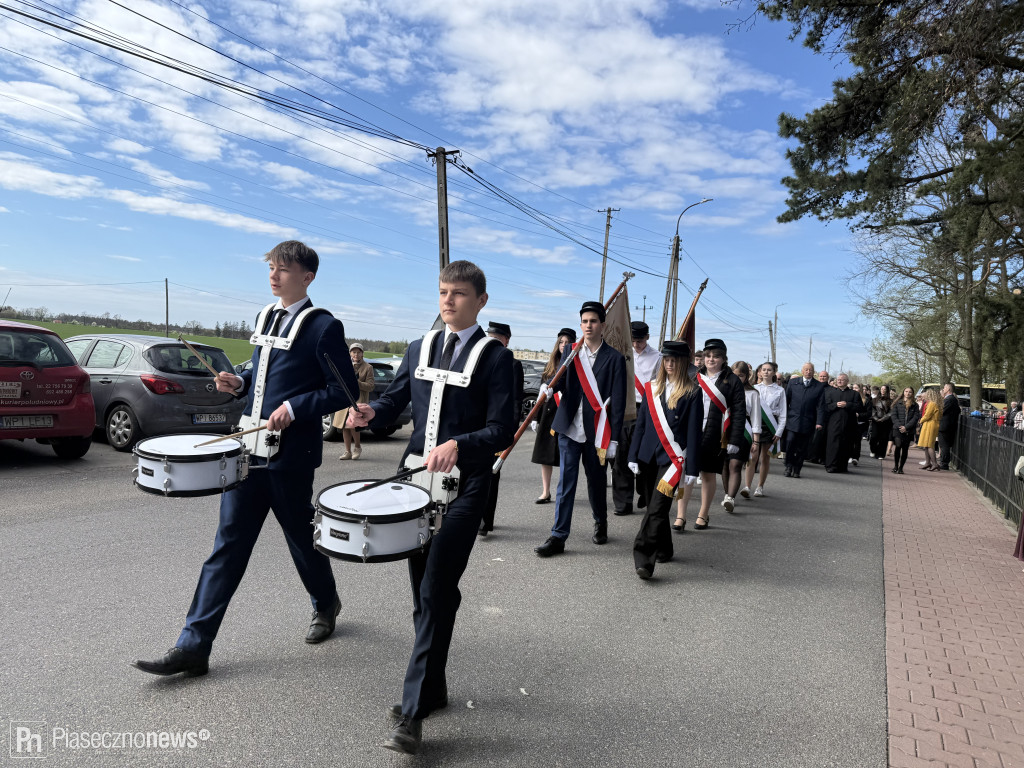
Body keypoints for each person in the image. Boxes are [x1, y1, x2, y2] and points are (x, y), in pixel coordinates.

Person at [133, 240, 357, 678]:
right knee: (228, 546)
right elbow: (261, 373)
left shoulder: (323, 326)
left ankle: (325, 602)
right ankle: (193, 646)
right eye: (271, 267)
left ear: (307, 277)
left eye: (284, 269)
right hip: (247, 452)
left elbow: (342, 390)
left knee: (301, 539)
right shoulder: (265, 316)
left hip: (290, 457)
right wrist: (238, 382)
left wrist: (294, 408)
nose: (274, 275)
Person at [348, 260, 515, 755]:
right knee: (426, 592)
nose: (448, 301)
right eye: (443, 291)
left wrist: (460, 443)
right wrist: (372, 410)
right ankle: (435, 687)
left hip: (467, 485)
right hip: (416, 481)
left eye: (459, 293)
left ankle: (413, 711)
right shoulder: (420, 346)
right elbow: (397, 398)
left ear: (481, 301)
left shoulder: (496, 358)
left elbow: (502, 429)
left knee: (438, 583)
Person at [535, 301, 627, 557]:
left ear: (603, 326)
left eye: (593, 321)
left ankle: (600, 521)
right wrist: (549, 387)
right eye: (585, 321)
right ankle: (558, 536)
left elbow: (618, 402)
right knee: (566, 483)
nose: (588, 325)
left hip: (597, 432)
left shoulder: (615, 359)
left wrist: (615, 440)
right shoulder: (571, 352)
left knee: (596, 483)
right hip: (569, 428)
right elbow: (560, 378)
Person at [626, 341, 702, 579]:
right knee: (653, 507)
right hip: (648, 456)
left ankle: (644, 559)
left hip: (673, 459)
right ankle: (665, 548)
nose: (669, 364)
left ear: (682, 363)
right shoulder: (651, 388)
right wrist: (633, 455)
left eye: (674, 361)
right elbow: (641, 425)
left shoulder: (692, 392)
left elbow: (694, 433)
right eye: (666, 360)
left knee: (658, 509)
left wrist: (692, 468)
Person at [679, 338, 745, 529]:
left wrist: (735, 439)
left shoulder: (732, 381)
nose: (711, 359)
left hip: (715, 433)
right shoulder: (693, 376)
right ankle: (681, 515)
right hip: (691, 431)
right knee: (686, 474)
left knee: (707, 474)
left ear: (724, 359)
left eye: (716, 356)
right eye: (708, 355)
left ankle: (703, 514)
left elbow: (739, 411)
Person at [612, 320, 662, 516]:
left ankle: (645, 492)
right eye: (633, 340)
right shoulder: (622, 355)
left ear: (647, 337)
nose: (636, 345)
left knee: (645, 455)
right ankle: (622, 503)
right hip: (625, 408)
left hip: (647, 408)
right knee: (621, 456)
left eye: (640, 340)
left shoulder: (658, 357)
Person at [479, 321, 523, 536]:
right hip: (475, 427)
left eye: (497, 338)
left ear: (506, 341)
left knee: (491, 474)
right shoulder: (477, 359)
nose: (492, 340)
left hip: (498, 428)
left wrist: (511, 432)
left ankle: (485, 522)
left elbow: (515, 401)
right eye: (490, 336)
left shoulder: (513, 365)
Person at [530, 328, 575, 503]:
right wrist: (535, 418)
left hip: (564, 416)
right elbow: (541, 398)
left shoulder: (575, 366)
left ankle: (563, 492)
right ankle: (546, 491)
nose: (564, 345)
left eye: (567, 342)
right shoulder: (549, 369)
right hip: (548, 416)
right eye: (561, 342)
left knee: (566, 457)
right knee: (545, 456)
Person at [747, 361, 787, 496]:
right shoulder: (754, 388)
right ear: (759, 372)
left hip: (771, 424)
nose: (766, 372)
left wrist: (779, 431)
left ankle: (760, 486)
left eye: (769, 370)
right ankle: (747, 486)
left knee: (765, 457)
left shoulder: (780, 390)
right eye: (763, 369)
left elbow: (783, 413)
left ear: (774, 372)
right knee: (753, 456)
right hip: (755, 422)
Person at [783, 362, 826, 478]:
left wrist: (819, 422)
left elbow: (821, 406)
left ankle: (797, 469)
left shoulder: (819, 386)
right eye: (806, 370)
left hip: (808, 421)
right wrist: (783, 418)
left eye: (810, 370)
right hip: (793, 420)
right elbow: (786, 402)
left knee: (802, 447)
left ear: (813, 372)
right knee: (790, 442)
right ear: (802, 371)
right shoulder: (793, 383)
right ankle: (788, 466)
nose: (808, 372)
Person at [727, 361, 759, 504]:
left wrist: (756, 441)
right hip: (725, 429)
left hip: (743, 431)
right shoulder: (724, 389)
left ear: (746, 376)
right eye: (735, 375)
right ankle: (727, 493)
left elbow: (756, 418)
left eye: (741, 375)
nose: (738, 378)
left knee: (736, 464)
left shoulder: (752, 393)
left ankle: (730, 497)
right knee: (725, 465)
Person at [818, 373, 863, 473]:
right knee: (832, 445)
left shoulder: (854, 394)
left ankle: (842, 466)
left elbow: (859, 407)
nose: (839, 381)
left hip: (848, 424)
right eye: (838, 379)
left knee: (845, 445)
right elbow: (826, 407)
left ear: (847, 381)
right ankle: (830, 465)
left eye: (842, 380)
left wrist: (847, 404)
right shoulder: (831, 392)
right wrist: (835, 405)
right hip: (833, 423)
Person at [339, 342, 375, 460]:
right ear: (350, 353)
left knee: (354, 425)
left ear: (362, 354)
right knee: (344, 425)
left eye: (358, 352)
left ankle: (357, 447)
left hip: (358, 401)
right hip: (344, 400)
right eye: (354, 352)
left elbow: (370, 386)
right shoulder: (345, 365)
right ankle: (347, 451)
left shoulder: (368, 367)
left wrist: (356, 383)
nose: (356, 354)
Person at [890, 387, 920, 473]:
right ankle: (895, 466)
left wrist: (906, 427)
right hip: (898, 429)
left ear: (912, 394)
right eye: (906, 391)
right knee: (898, 446)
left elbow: (915, 418)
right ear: (903, 392)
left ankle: (901, 468)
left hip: (908, 430)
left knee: (905, 448)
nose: (908, 393)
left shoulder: (915, 405)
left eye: (910, 392)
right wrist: (900, 426)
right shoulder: (897, 403)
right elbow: (894, 416)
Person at [918, 387, 943, 471]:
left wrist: (920, 421)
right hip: (929, 424)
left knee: (929, 445)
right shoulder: (932, 403)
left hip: (930, 425)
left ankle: (934, 463)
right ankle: (928, 462)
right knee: (926, 444)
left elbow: (927, 415)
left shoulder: (932, 404)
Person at [937, 382, 959, 470]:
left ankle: (944, 463)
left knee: (944, 444)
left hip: (945, 426)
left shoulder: (949, 399)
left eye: (945, 387)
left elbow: (941, 411)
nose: (943, 389)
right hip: (947, 425)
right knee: (943, 444)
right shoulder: (951, 399)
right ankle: (943, 461)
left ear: (948, 389)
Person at [868, 385, 892, 459]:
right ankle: (873, 450)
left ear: (887, 391)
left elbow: (891, 412)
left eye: (885, 389)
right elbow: (872, 409)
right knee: (874, 437)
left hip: (885, 421)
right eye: (882, 389)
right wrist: (875, 418)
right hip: (875, 420)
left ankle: (881, 454)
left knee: (883, 438)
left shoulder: (890, 401)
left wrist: (883, 418)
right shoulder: (874, 399)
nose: (883, 390)